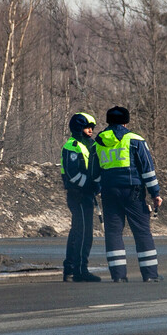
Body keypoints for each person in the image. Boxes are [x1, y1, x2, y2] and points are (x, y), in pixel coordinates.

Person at [94, 106, 164, 282]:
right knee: (142, 232)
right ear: (126, 122)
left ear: (108, 121)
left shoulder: (98, 142)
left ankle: (118, 276)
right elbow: (147, 169)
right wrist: (155, 193)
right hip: (133, 191)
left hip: (109, 192)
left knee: (113, 233)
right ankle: (150, 275)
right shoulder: (135, 140)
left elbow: (94, 172)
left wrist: (96, 190)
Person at [60, 111, 101, 282]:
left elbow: (95, 169)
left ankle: (70, 268)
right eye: (87, 127)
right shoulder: (73, 145)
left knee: (78, 231)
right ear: (78, 127)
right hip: (78, 195)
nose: (90, 130)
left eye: (92, 127)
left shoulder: (90, 145)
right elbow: (72, 173)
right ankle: (79, 270)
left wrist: (97, 184)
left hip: (87, 194)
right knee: (84, 233)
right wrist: (89, 185)